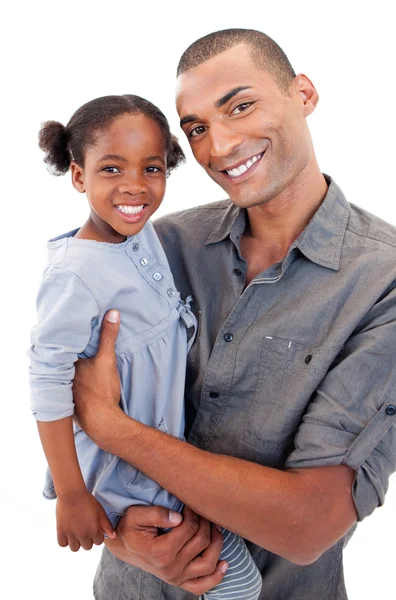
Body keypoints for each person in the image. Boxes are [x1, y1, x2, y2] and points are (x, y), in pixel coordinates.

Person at [71, 29, 396, 600]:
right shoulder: (159, 246)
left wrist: (114, 427)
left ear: (304, 93)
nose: (218, 146)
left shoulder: (381, 283)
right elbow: (70, 402)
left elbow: (309, 523)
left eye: (240, 106)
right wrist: (118, 535)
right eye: (196, 129)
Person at [29, 94, 262, 600]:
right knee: (237, 585)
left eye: (151, 168)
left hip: (165, 458)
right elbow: (47, 380)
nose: (135, 185)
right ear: (77, 176)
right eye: (111, 168)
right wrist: (71, 494)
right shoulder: (76, 273)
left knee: (239, 574)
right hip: (126, 479)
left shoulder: (140, 237)